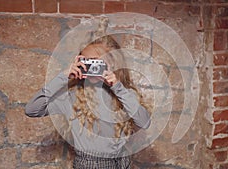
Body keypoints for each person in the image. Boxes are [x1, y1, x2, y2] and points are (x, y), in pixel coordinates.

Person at [25, 17, 151, 169]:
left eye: (96, 62)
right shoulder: (71, 97)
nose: (91, 67)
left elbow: (144, 122)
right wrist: (63, 76)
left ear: (111, 63)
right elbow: (32, 109)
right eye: (86, 61)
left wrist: (117, 87)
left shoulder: (123, 94)